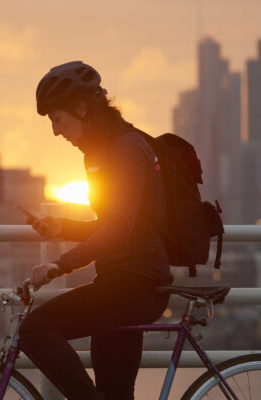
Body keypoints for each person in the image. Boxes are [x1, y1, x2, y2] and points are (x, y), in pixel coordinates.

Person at [18, 61, 173, 400]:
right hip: (122, 283)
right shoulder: (101, 153)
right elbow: (116, 224)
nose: (56, 131)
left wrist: (61, 264)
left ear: (82, 108)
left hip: (135, 285)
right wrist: (62, 226)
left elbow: (118, 226)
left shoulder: (126, 148)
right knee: (116, 394)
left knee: (34, 330)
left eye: (57, 119)